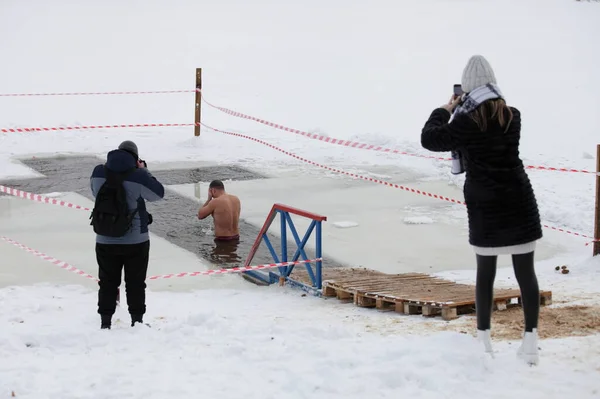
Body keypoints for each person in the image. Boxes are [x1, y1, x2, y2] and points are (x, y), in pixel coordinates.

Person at [420, 55, 543, 365]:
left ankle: (484, 341)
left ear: (467, 90)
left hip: (485, 207)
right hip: (519, 202)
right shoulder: (512, 116)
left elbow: (429, 139)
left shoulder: (464, 122)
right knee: (526, 273)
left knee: (485, 275)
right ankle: (530, 342)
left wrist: (445, 110)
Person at [90, 140, 165, 330]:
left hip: (105, 238)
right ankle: (137, 322)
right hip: (136, 241)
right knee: (135, 283)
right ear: (135, 158)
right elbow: (158, 194)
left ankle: (105, 322)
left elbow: (94, 193)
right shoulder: (139, 175)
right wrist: (145, 171)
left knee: (107, 282)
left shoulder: (98, 172)